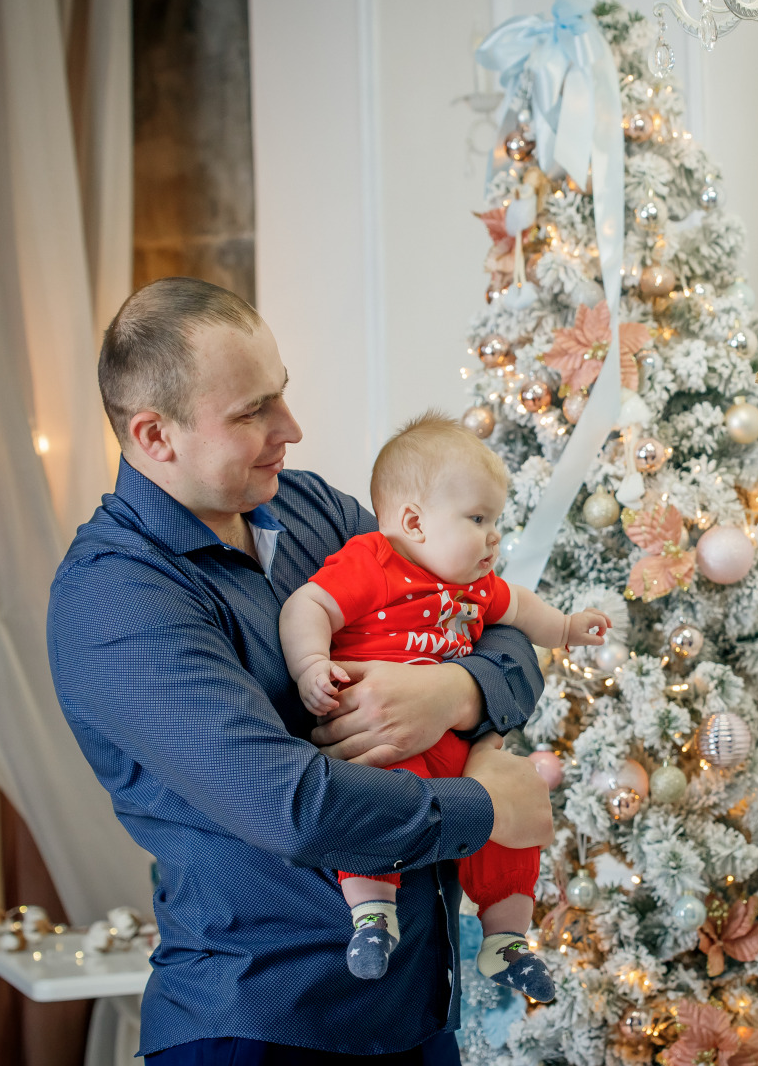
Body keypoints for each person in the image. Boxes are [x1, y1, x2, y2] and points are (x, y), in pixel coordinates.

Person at [49, 277, 555, 1065]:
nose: (292, 427)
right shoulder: (115, 599)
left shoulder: (312, 509)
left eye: (279, 395)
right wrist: (486, 807)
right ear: (155, 437)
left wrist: (451, 693)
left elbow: (501, 634)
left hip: (417, 1009)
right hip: (261, 1024)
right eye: (253, 412)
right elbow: (295, 808)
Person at [279, 411, 611, 990]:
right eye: (479, 519)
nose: (494, 537)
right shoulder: (373, 561)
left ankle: (505, 940)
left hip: (455, 742)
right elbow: (307, 606)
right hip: (381, 738)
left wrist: (566, 629)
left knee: (510, 818)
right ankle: (372, 914)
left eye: (496, 521)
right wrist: (311, 665)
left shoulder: (473, 585)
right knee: (375, 795)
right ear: (414, 521)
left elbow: (521, 612)